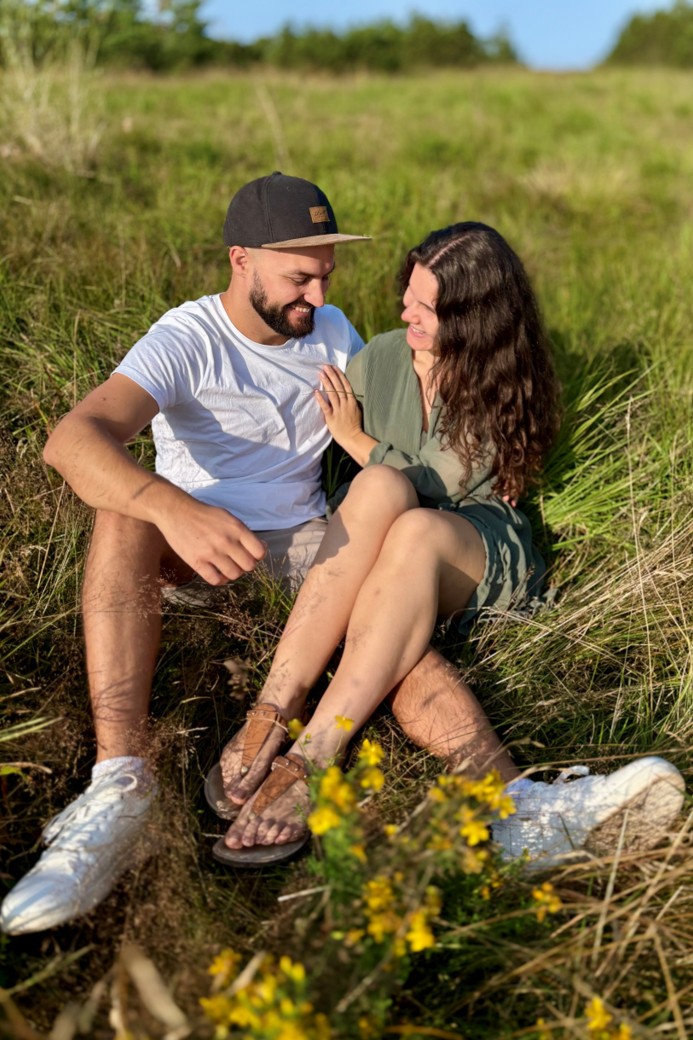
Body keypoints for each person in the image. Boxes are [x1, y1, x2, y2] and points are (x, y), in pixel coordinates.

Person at [208, 222, 685, 867]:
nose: (408, 314)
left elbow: (447, 482)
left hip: (471, 544)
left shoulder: (497, 376)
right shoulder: (382, 357)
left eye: (427, 308)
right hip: (393, 545)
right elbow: (339, 457)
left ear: (474, 317)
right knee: (381, 489)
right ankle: (274, 708)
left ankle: (314, 755)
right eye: (408, 297)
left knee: (415, 526)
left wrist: (355, 438)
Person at [1, 171, 376, 934]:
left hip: (305, 543)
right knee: (120, 515)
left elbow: (401, 430)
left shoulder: (333, 331)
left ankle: (513, 803)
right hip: (193, 542)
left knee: (394, 614)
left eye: (326, 275)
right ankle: (121, 785)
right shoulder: (188, 337)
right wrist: (172, 506)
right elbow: (70, 441)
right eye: (298, 277)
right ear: (241, 260)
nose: (316, 294)